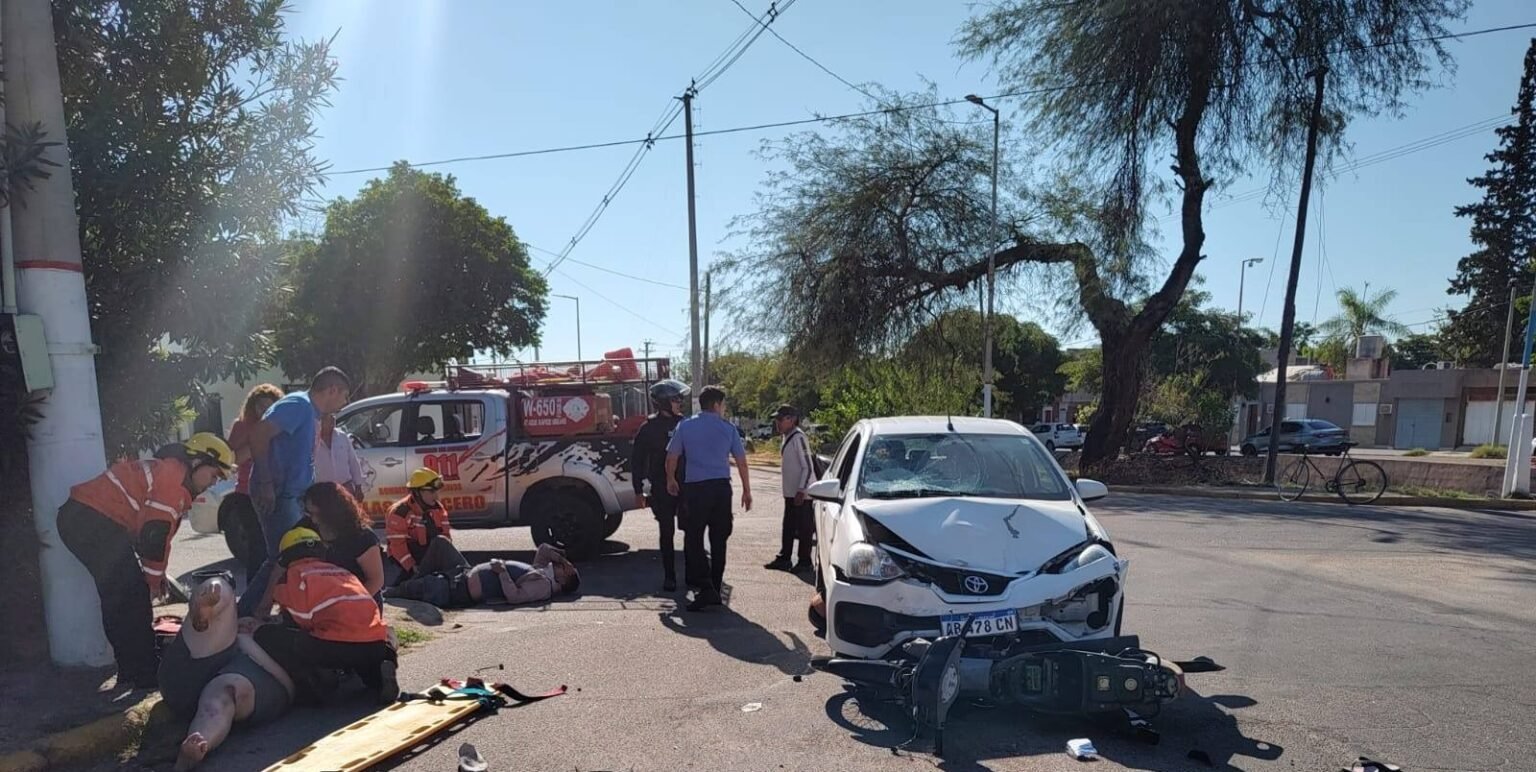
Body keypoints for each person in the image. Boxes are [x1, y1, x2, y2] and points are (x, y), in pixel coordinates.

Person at [56, 433, 234, 687]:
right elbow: (154, 537)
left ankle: (134, 668)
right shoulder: (173, 481)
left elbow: (158, 536)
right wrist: (152, 579)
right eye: (214, 474)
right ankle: (141, 671)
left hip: (85, 519)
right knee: (129, 597)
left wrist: (157, 576)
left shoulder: (172, 475)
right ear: (197, 462)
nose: (213, 483)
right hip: (90, 520)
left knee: (123, 596)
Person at [238, 367, 353, 618]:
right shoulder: (298, 405)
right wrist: (267, 483)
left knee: (294, 554)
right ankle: (247, 614)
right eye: (344, 395)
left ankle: (283, 610)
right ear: (331, 390)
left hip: (294, 495)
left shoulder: (310, 411)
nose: (344, 403)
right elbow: (258, 436)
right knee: (284, 556)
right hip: (279, 493)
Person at [253, 527, 398, 705]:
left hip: (333, 647)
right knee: (373, 640)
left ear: (285, 558)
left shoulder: (294, 575)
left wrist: (268, 622)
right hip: (375, 643)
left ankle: (316, 682)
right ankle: (378, 673)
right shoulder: (343, 572)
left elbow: (299, 621)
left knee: (267, 635)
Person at [162, 576, 294, 771]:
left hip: (255, 674)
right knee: (220, 588)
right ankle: (202, 612)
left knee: (224, 694)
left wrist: (252, 640)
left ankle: (195, 748)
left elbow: (291, 685)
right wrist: (252, 626)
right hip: (193, 666)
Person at [665, 385, 752, 612]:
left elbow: (672, 456)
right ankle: (713, 585)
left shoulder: (685, 426)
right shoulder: (728, 429)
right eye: (722, 405)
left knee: (694, 538)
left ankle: (706, 587)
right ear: (716, 405)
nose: (723, 409)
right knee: (719, 539)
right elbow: (741, 461)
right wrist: (746, 490)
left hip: (696, 490)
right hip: (721, 490)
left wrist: (671, 479)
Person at [242, 483, 385, 618]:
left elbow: (376, 580)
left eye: (314, 513)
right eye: (307, 513)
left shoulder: (362, 537)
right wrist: (265, 605)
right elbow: (281, 566)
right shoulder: (305, 527)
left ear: (331, 512)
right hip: (316, 601)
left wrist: (346, 604)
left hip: (358, 603)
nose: (311, 518)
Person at [629, 379, 690, 591]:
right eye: (675, 399)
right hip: (662, 488)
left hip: (686, 486)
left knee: (691, 530)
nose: (679, 403)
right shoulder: (648, 428)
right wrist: (638, 491)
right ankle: (670, 576)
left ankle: (692, 575)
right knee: (667, 532)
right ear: (663, 402)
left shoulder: (685, 423)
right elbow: (637, 461)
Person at [385, 544, 580, 609]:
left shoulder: (544, 586)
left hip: (459, 590)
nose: (560, 565)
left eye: (564, 569)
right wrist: (562, 558)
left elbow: (515, 596)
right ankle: (409, 583)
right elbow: (543, 548)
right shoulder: (541, 571)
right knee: (440, 543)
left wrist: (502, 572)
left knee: (411, 590)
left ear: (563, 581)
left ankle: (387, 593)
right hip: (464, 573)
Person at [223, 384, 283, 578]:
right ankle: (254, 597)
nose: (264, 410)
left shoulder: (281, 424)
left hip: (278, 491)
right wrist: (257, 442)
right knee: (258, 546)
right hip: (247, 494)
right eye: (260, 406)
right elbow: (232, 460)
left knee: (281, 546)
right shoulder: (242, 426)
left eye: (269, 405)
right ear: (252, 407)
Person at [764, 405, 815, 574]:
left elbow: (807, 466)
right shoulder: (788, 437)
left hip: (801, 493)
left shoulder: (799, 437)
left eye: (780, 419)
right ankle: (785, 558)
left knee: (804, 528)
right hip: (790, 493)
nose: (777, 423)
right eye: (776, 420)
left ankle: (804, 561)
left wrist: (802, 490)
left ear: (791, 419)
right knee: (788, 526)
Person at [386, 468, 459, 581]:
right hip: (403, 560)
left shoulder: (438, 509)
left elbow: (446, 538)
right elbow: (397, 546)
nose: (436, 497)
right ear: (417, 492)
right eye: (431, 492)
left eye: (437, 492)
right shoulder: (399, 512)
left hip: (428, 554)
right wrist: (412, 566)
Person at [313, 412, 365, 500]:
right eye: (328, 417)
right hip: (321, 491)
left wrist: (358, 487)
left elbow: (353, 462)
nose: (333, 419)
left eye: (333, 416)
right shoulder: (311, 439)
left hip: (345, 488)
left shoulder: (342, 436)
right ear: (319, 421)